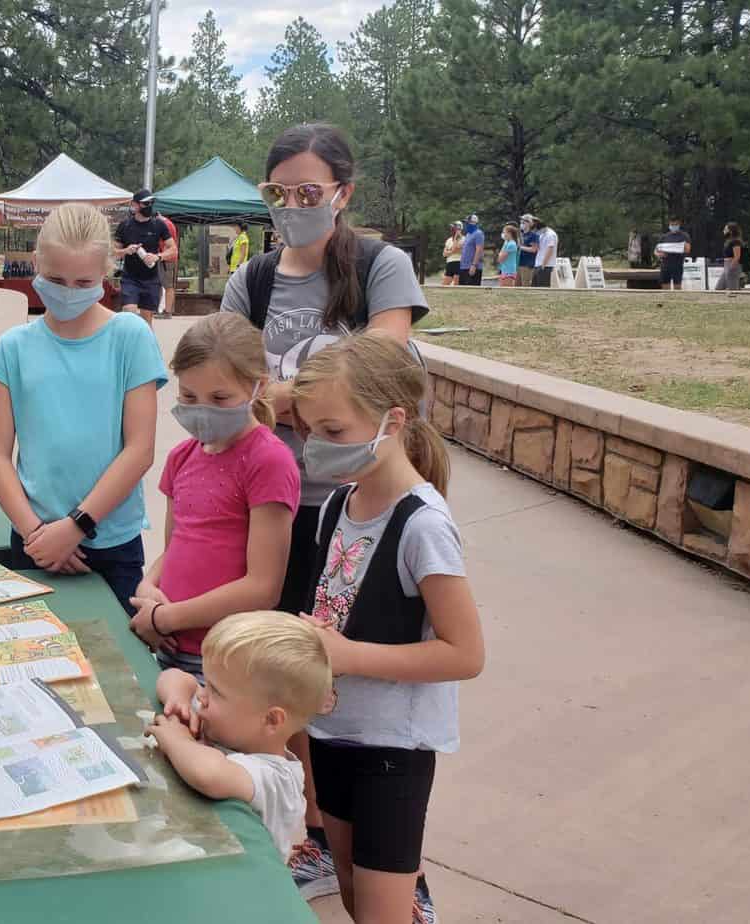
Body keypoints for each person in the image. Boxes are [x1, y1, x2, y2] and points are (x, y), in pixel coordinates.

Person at [220, 123, 428, 899]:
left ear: (343, 192)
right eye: (278, 194)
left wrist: (292, 394)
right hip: (278, 501)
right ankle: (306, 823)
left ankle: (391, 861)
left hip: (357, 505)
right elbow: (232, 372)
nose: (293, 207)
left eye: (309, 192)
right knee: (283, 673)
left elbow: (382, 359)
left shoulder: (379, 264)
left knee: (354, 687)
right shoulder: (257, 278)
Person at [290, 332, 485, 924]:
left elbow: (465, 653)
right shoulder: (336, 506)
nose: (316, 447)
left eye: (334, 432)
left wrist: (349, 657)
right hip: (334, 734)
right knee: (351, 889)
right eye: (309, 431)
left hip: (392, 750)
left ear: (393, 420)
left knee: (382, 909)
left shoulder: (423, 525)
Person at [0, 202, 167, 616]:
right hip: (34, 541)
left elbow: (139, 449)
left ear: (105, 273)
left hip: (111, 543)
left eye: (83, 281)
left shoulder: (129, 336)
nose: (68, 291)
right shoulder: (13, 347)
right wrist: (37, 535)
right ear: (36, 263)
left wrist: (76, 527)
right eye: (55, 279)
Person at [129, 313, 298, 678]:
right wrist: (148, 585)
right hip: (170, 647)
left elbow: (263, 586)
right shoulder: (181, 457)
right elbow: (175, 547)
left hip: (228, 660)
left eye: (220, 398)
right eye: (188, 396)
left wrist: (166, 616)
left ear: (258, 386)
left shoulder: (268, 460)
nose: (202, 408)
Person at [149, 612, 332, 857]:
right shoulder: (226, 720)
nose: (202, 696)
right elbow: (173, 677)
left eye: (215, 691)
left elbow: (211, 774)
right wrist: (178, 699)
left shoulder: (276, 777)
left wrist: (177, 739)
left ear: (270, 719)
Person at [115, 188, 176, 326]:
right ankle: (128, 344)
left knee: (146, 323)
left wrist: (158, 256)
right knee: (129, 314)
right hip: (130, 278)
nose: (149, 206)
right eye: (145, 203)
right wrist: (126, 250)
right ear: (134, 205)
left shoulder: (158, 224)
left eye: (151, 203)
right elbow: (113, 251)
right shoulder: (125, 226)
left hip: (151, 279)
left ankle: (145, 344)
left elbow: (173, 249)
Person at [654, 217, 690, 290]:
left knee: (677, 286)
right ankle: (666, 300)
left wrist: (679, 248)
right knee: (665, 286)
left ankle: (677, 300)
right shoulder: (664, 236)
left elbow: (688, 250)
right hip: (665, 265)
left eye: (675, 224)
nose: (674, 226)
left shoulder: (684, 236)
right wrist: (659, 254)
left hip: (677, 265)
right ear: (669, 225)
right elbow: (656, 250)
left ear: (679, 224)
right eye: (672, 224)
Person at [157, 212, 180, 318]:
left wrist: (162, 256)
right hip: (164, 258)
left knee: (168, 285)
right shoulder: (165, 223)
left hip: (167, 259)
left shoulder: (165, 224)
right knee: (164, 285)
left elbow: (169, 244)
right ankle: (163, 310)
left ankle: (168, 312)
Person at [715, 222, 744, 291]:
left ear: (730, 230)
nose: (724, 230)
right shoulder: (728, 241)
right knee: (719, 288)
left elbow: (737, 256)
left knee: (733, 289)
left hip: (732, 265)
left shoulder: (736, 241)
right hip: (726, 265)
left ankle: (736, 301)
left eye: (725, 229)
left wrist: (731, 267)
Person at [458, 214, 484, 285]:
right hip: (464, 267)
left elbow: (479, 250)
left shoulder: (478, 233)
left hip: (472, 267)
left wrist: (474, 265)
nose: (465, 224)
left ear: (473, 223)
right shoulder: (468, 234)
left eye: (467, 222)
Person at [533, 216, 559, 287]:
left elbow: (550, 250)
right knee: (535, 286)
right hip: (538, 263)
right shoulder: (542, 234)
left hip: (545, 265)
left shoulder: (550, 235)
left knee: (543, 286)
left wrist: (543, 265)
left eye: (536, 230)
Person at [518, 214, 540, 286]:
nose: (521, 224)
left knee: (525, 285)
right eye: (521, 222)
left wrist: (520, 247)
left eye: (523, 222)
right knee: (517, 286)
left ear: (529, 224)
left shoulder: (533, 235)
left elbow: (534, 249)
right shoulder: (521, 234)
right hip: (519, 263)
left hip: (527, 264)